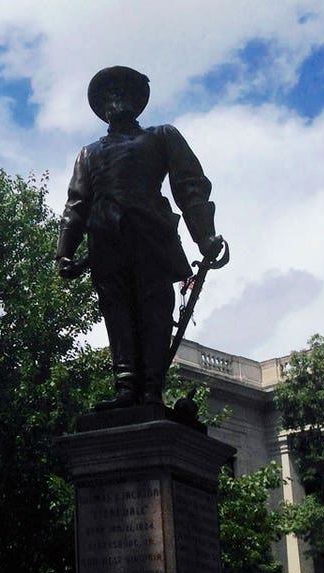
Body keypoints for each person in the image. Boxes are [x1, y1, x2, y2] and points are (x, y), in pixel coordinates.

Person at [56, 66, 223, 409]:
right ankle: (125, 387)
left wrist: (204, 237)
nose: (116, 101)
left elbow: (189, 187)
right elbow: (76, 204)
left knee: (154, 311)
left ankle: (151, 389)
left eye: (123, 93)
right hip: (106, 242)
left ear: (136, 101)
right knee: (117, 314)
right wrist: (64, 253)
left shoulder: (162, 137)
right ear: (102, 107)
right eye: (109, 96)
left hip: (151, 237)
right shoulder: (88, 154)